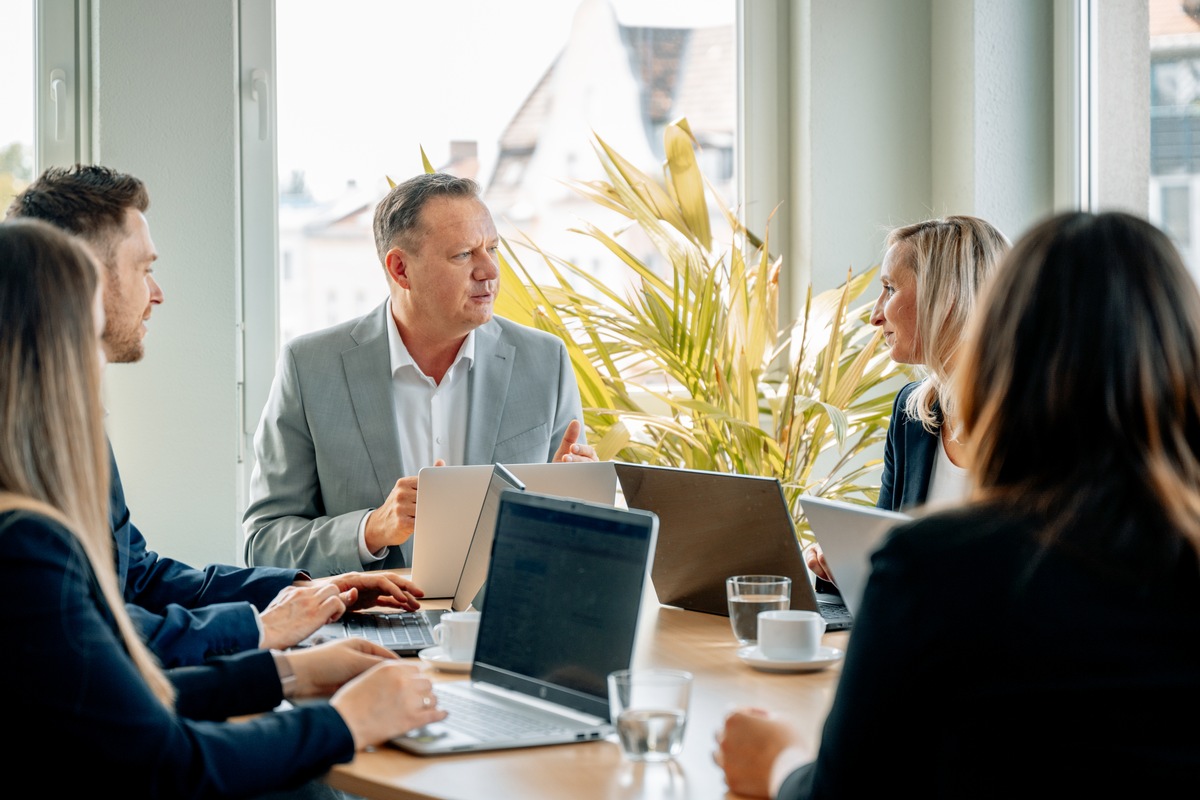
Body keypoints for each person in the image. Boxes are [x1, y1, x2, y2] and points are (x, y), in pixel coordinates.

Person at [715, 211, 1200, 798]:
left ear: (1007, 339)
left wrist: (779, 763)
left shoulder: (932, 567)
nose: (875, 312)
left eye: (890, 290)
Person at [0, 218, 446, 796]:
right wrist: (348, 719)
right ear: (52, 357)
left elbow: (107, 691)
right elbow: (167, 762)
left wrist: (287, 672)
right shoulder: (22, 542)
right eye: (85, 337)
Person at [7, 164, 425, 668]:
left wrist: (306, 589)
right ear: (85, 280)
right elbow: (92, 632)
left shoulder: (74, 417)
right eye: (144, 269)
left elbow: (135, 577)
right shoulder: (23, 438)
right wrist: (262, 632)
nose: (157, 292)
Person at [243, 172, 596, 576]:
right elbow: (264, 544)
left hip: (502, 626)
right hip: (368, 629)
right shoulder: (309, 367)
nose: (490, 271)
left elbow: (575, 542)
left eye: (492, 249)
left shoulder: (544, 361)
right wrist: (371, 529)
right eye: (463, 254)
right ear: (400, 269)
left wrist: (577, 502)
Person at [805, 215, 1009, 584]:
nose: (875, 315)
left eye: (889, 288)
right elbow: (889, 560)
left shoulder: (1040, 422)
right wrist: (845, 568)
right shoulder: (911, 412)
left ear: (946, 295)